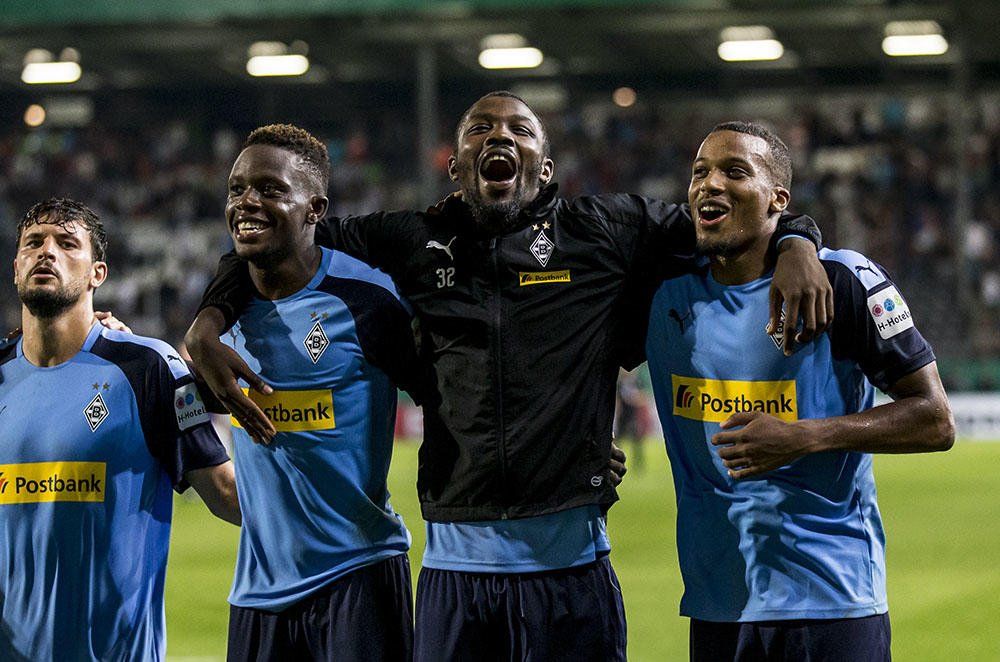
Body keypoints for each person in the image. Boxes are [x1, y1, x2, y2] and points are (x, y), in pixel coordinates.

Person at [187, 92, 832, 661]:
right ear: (456, 166)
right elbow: (281, 237)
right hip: (454, 571)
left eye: (520, 129)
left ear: (545, 169)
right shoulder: (414, 239)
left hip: (570, 566)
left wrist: (797, 240)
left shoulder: (605, 230)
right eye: (479, 128)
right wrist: (208, 322)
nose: (499, 135)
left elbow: (725, 222)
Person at [644, 121, 954, 661]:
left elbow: (935, 419)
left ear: (777, 199)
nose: (710, 184)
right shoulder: (660, 290)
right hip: (719, 605)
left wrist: (804, 437)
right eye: (699, 172)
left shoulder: (842, 280)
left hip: (832, 600)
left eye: (735, 171)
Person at [217, 124, 423, 660]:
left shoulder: (368, 301)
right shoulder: (221, 314)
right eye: (237, 189)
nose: (247, 202)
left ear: (315, 209)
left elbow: (453, 400)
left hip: (358, 576)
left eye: (271, 189)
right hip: (257, 592)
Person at [0, 198, 239, 661]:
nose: (46, 251)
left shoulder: (148, 368)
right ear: (15, 268)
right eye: (33, 242)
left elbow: (227, 495)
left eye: (67, 243)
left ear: (98, 274)